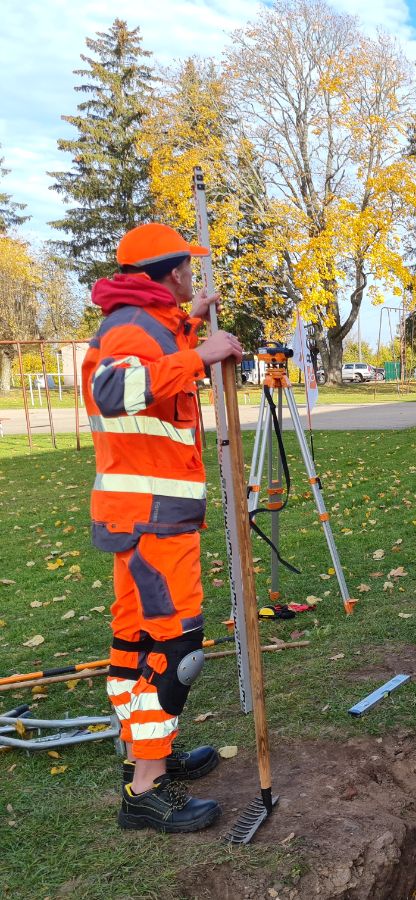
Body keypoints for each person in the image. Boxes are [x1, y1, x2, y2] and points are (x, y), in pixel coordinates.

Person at [83, 223, 244, 832]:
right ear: (169, 270)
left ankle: (147, 752)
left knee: (136, 640)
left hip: (142, 515)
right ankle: (146, 788)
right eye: (185, 269)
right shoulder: (131, 325)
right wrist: (199, 355)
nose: (189, 277)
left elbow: (153, 352)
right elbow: (112, 389)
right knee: (178, 649)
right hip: (151, 519)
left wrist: (192, 323)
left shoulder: (147, 319)